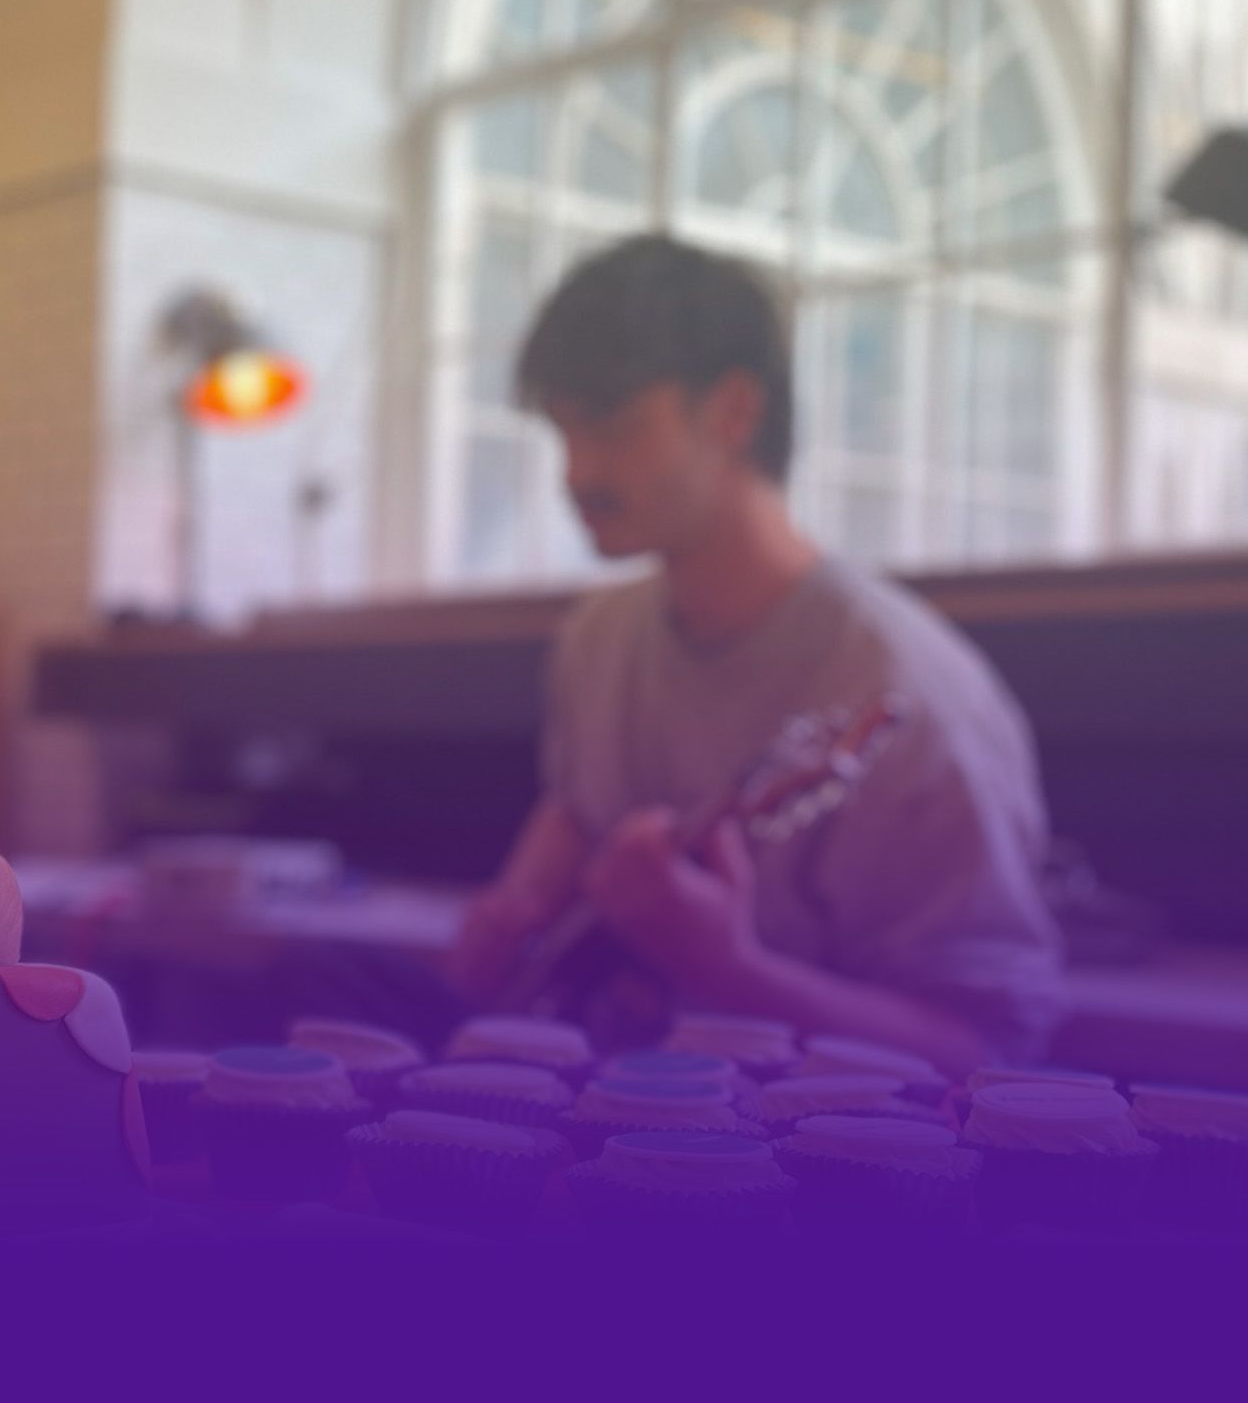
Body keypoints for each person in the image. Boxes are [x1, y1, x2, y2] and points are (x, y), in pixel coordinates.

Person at [449, 235, 1063, 1073]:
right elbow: (575, 815)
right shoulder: (596, 638)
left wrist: (729, 971)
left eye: (616, 430)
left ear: (734, 411)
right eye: (564, 435)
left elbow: (989, 1050)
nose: (577, 473)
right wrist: (508, 921)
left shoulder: (906, 690)